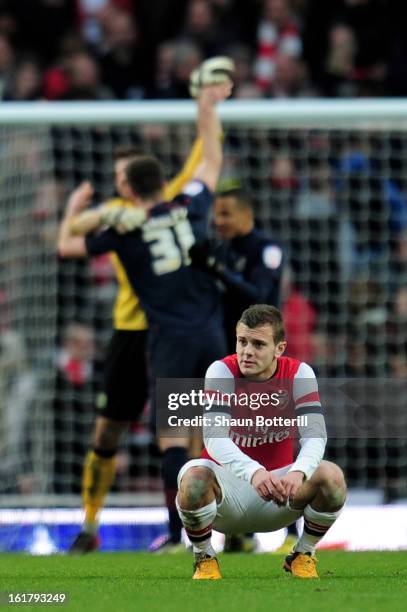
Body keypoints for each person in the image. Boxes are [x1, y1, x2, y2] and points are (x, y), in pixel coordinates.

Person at [59, 80, 232, 552]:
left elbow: (70, 237)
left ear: (129, 186)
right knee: (190, 431)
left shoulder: (123, 224)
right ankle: (95, 525)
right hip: (187, 333)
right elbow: (211, 155)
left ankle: (188, 534)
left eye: (121, 180)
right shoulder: (180, 203)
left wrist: (85, 211)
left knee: (178, 439)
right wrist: (208, 105)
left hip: (167, 337)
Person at [176, 304, 347, 579]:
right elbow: (214, 438)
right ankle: (204, 557)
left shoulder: (299, 374)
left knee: (332, 476)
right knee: (194, 476)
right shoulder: (221, 371)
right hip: (227, 494)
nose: (247, 351)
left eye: (258, 344)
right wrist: (254, 472)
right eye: (242, 341)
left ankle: (303, 554)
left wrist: (298, 471)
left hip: (280, 494)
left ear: (279, 348)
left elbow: (315, 435)